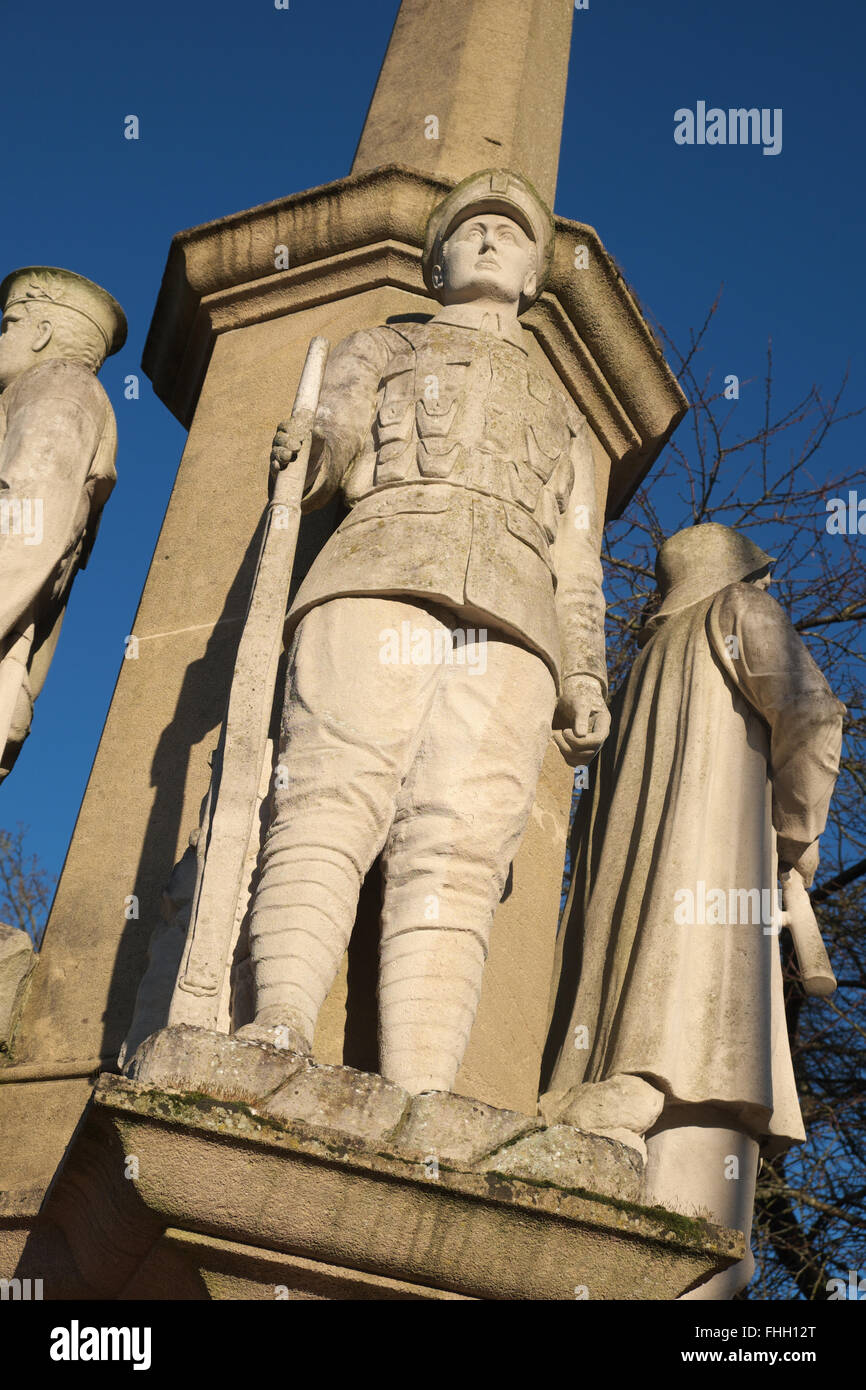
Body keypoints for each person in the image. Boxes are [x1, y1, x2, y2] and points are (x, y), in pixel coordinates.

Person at [236, 169, 610, 1094]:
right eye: (469, 229)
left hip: (517, 623)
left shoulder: (566, 419)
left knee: (463, 846)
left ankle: (425, 1089)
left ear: (531, 277)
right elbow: (335, 439)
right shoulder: (380, 345)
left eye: (509, 234)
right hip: (379, 569)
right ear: (436, 264)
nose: (489, 240)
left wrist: (586, 676)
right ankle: (277, 1019)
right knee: (329, 794)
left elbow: (579, 566)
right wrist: (310, 453)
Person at [541, 522, 845, 1297]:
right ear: (742, 576)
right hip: (700, 1013)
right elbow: (812, 714)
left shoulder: (633, 677)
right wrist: (793, 836)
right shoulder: (738, 611)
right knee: (702, 1253)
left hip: (601, 1034)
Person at [0, 266, 126, 779]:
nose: (2, 337)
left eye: (9, 325)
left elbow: (31, 522)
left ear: (43, 333)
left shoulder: (57, 384)